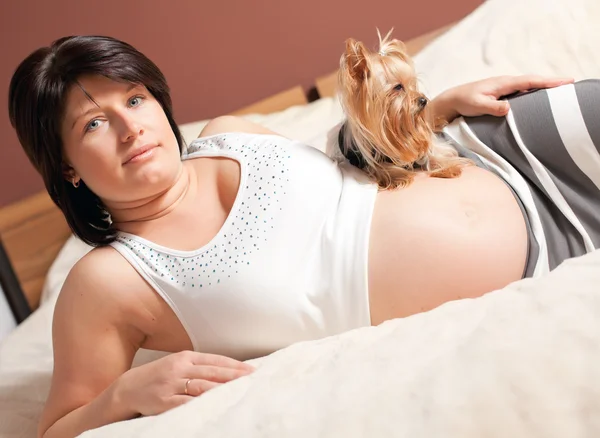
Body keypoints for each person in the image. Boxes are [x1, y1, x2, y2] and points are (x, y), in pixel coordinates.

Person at [6, 34, 590, 438]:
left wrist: (434, 112)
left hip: (510, 151)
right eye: (94, 123)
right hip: (540, 256)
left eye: (134, 99)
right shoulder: (108, 281)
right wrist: (123, 395)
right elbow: (58, 427)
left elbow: (354, 164)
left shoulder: (228, 133)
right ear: (67, 168)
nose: (131, 126)